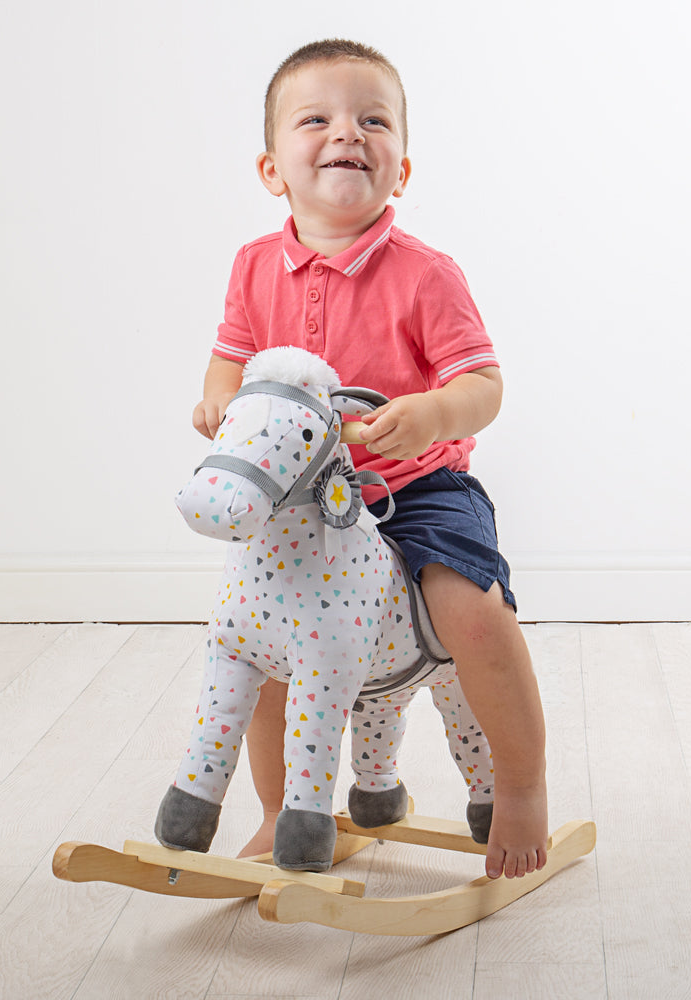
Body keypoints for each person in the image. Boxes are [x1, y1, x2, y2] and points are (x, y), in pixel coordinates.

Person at [191, 39, 547, 880]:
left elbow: (484, 385)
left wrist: (430, 415)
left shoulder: (425, 274)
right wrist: (218, 400)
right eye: (316, 119)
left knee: (470, 610)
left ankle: (523, 785)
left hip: (418, 487)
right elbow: (231, 357)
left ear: (402, 167)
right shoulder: (253, 267)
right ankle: (281, 810)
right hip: (302, 503)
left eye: (372, 120)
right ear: (273, 168)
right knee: (265, 642)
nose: (346, 133)